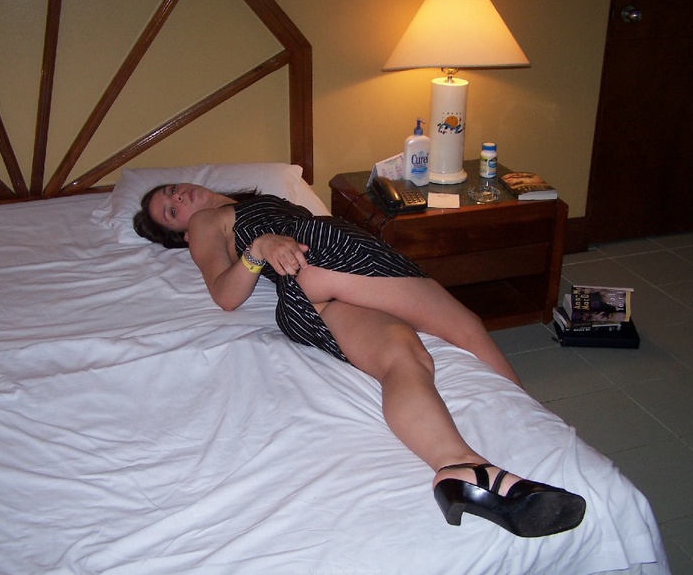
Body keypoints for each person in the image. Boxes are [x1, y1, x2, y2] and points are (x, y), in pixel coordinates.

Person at [133, 182, 586, 537]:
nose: (178, 199)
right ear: (182, 233)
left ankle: (458, 467)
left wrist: (267, 245)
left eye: (172, 191)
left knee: (404, 358)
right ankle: (540, 428)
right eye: (170, 211)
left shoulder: (239, 206)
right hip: (323, 260)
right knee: (465, 327)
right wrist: (258, 249)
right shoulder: (206, 222)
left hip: (310, 299)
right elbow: (225, 295)